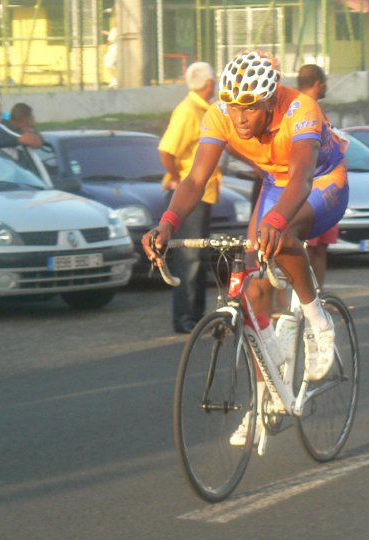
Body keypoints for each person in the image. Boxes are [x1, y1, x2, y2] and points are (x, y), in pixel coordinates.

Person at [143, 50, 347, 386]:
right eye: (233, 105)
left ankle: (319, 322)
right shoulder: (220, 114)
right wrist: (167, 222)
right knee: (250, 292)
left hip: (322, 181)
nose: (239, 117)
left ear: (270, 100)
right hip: (274, 184)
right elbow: (195, 180)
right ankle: (266, 398)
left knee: (281, 235)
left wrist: (277, 220)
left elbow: (301, 178)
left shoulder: (300, 109)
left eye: (250, 106)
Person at [157, 62, 221, 334]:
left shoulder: (205, 109)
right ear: (207, 83)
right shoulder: (188, 111)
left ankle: (196, 316)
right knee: (189, 257)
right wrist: (175, 176)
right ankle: (185, 319)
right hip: (190, 193)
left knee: (198, 256)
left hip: (203, 193)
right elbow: (167, 150)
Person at [297, 63, 336, 289]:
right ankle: (300, 302)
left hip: (324, 186)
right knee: (305, 248)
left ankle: (317, 296)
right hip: (309, 189)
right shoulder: (301, 108)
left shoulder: (316, 109)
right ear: (319, 84)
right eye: (325, 83)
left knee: (319, 248)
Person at [103, 14, 120, 88]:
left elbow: (111, 41)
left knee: (107, 64)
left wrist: (105, 45)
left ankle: (115, 80)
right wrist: (107, 33)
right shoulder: (119, 30)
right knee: (113, 65)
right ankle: (114, 80)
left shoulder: (114, 29)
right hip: (118, 50)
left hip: (113, 50)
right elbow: (114, 35)